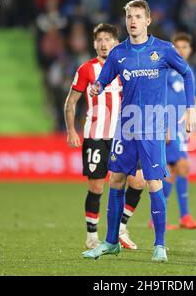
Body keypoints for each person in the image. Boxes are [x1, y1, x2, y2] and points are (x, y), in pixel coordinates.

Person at [82, 0, 196, 262]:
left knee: (153, 182)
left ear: (147, 21)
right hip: (126, 126)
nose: (132, 21)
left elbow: (187, 74)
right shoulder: (118, 53)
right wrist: (96, 87)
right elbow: (103, 80)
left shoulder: (164, 50)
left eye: (137, 16)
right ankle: (111, 241)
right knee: (116, 180)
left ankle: (160, 246)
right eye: (128, 17)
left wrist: (190, 109)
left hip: (153, 126)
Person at [64, 23, 145, 250]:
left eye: (108, 39)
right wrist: (71, 130)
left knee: (139, 181)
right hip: (96, 136)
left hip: (125, 136)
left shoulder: (127, 67)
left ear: (116, 43)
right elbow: (71, 102)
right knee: (97, 187)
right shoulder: (86, 69)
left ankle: (121, 227)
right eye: (99, 40)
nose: (103, 44)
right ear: (94, 44)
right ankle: (91, 235)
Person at [158, 32, 196, 230]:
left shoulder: (188, 71)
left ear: (190, 50)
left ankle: (169, 217)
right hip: (168, 126)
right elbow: (161, 99)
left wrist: (192, 118)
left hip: (181, 128)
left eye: (185, 47)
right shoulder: (166, 69)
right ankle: (180, 216)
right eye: (178, 47)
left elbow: (195, 98)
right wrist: (165, 126)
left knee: (176, 170)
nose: (181, 50)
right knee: (179, 167)